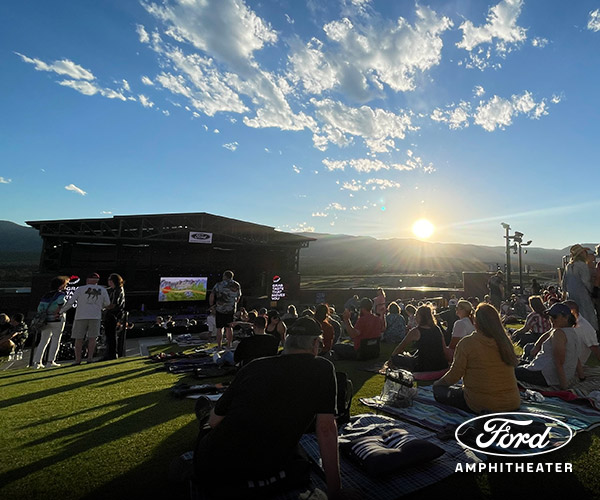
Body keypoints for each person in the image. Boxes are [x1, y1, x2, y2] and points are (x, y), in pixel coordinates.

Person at [193, 316, 341, 498]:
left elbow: (216, 422)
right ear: (314, 343)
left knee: (209, 418)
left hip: (215, 465)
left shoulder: (254, 366)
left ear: (287, 342)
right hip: (268, 470)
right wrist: (336, 490)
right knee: (299, 460)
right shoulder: (322, 369)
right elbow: (326, 429)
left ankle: (204, 412)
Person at [433, 304, 520, 414]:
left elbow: (454, 375)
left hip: (482, 404)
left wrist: (438, 383)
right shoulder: (504, 342)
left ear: (476, 321)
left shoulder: (468, 343)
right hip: (513, 402)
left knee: (439, 391)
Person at [515, 303, 583, 390]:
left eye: (554, 317)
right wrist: (582, 377)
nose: (551, 320)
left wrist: (564, 387)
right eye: (550, 317)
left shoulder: (559, 334)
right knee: (516, 362)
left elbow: (559, 363)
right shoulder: (572, 332)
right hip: (547, 371)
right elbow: (576, 358)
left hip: (545, 375)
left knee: (509, 370)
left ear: (565, 317)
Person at [62, 273, 110, 365]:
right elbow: (107, 303)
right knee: (92, 338)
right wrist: (100, 307)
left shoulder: (80, 289)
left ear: (88, 280)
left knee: (78, 338)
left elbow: (71, 302)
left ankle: (78, 360)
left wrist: (61, 311)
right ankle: (90, 358)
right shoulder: (103, 290)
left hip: (80, 316)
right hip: (95, 316)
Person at [388, 305, 449, 372]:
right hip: (440, 364)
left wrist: (391, 358)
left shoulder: (416, 331)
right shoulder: (437, 328)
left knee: (396, 358)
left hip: (423, 366)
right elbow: (444, 348)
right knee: (416, 352)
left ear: (420, 317)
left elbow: (401, 346)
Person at [32, 276, 69, 369]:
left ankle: (37, 362)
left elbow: (40, 308)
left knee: (43, 340)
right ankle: (50, 361)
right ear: (61, 286)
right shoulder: (61, 295)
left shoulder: (46, 295)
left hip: (45, 320)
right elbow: (62, 303)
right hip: (57, 319)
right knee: (56, 339)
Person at [562, 244, 598, 330]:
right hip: (582, 294)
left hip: (571, 295)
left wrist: (564, 292)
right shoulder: (582, 265)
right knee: (586, 314)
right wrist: (592, 292)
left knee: (575, 314)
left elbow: (564, 282)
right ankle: (589, 332)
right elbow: (586, 281)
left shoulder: (569, 266)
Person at [209, 270, 242, 349]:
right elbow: (238, 296)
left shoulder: (219, 284)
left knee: (219, 328)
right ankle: (229, 345)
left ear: (224, 276)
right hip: (230, 309)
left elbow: (212, 295)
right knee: (229, 328)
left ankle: (219, 346)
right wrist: (234, 303)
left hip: (220, 309)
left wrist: (211, 305)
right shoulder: (236, 284)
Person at [563, 300, 600, 365]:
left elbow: (595, 348)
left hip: (573, 366)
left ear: (572, 311)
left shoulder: (584, 327)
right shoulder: (565, 324)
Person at [103, 273, 125, 360]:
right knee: (110, 335)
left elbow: (114, 304)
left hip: (113, 315)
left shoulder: (117, 290)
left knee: (111, 335)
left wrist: (104, 307)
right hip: (115, 314)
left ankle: (111, 354)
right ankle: (110, 353)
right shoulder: (115, 290)